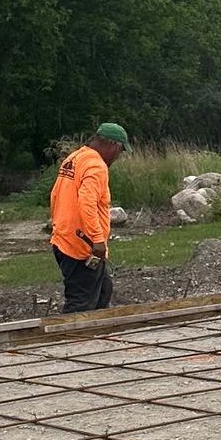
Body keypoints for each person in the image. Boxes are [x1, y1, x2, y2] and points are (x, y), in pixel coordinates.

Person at [48, 122, 127, 313]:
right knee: (81, 304)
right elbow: (87, 202)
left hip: (64, 239)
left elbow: (55, 194)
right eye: (121, 151)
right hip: (82, 246)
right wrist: (98, 239)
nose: (118, 157)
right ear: (113, 145)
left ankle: (100, 329)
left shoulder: (75, 158)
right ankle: (69, 332)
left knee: (103, 291)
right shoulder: (96, 165)